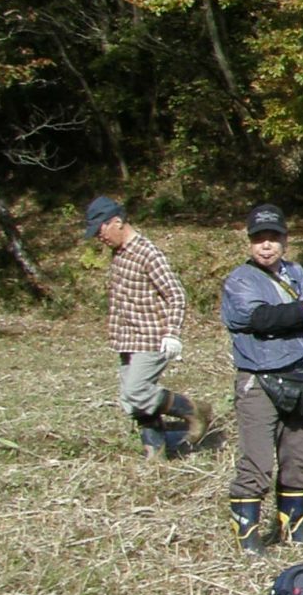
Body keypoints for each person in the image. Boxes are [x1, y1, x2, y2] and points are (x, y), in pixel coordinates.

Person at [221, 205, 303, 555]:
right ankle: (248, 536)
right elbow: (258, 318)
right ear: (249, 243)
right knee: (256, 460)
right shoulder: (239, 280)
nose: (266, 246)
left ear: (285, 240)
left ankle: (295, 527)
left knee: (302, 456)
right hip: (259, 379)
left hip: (299, 373)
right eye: (258, 239)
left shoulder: (297, 272)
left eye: (273, 238)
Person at [86, 194, 211, 460]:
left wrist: (172, 333)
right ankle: (155, 454)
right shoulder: (119, 252)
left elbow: (175, 293)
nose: (100, 238)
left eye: (101, 231)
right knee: (131, 402)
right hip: (127, 339)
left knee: (137, 392)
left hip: (150, 338)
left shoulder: (147, 252)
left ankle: (193, 410)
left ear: (117, 222)